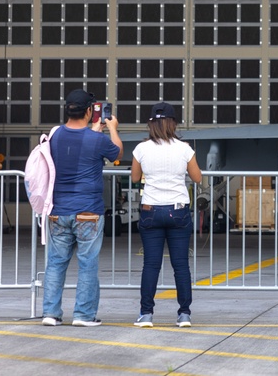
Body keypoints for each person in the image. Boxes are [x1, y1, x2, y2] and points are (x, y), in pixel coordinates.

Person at [42, 89, 122, 327]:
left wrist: (94, 131)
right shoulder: (97, 140)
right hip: (88, 211)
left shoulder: (54, 136)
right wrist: (113, 128)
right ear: (89, 111)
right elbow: (117, 152)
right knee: (87, 264)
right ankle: (83, 315)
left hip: (58, 210)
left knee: (55, 263)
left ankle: (50, 313)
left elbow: (75, 146)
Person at [130, 102, 202, 328]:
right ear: (174, 123)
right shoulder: (184, 148)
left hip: (151, 210)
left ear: (151, 123)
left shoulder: (142, 149)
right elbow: (198, 177)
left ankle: (146, 314)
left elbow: (134, 177)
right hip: (178, 210)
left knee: (151, 265)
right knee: (181, 265)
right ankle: (184, 315)